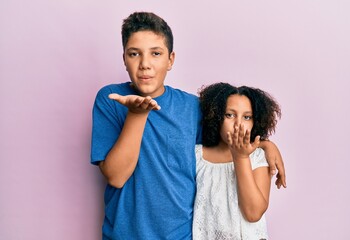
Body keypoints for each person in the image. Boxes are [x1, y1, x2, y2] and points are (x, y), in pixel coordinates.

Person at [91, 12, 286, 239]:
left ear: (171, 59)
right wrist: (137, 114)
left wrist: (265, 144)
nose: (145, 64)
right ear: (124, 58)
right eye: (134, 54)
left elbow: (222, 144)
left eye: (156, 53)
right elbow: (116, 177)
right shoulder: (110, 99)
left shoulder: (192, 107)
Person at [193, 82, 282, 239]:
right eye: (230, 115)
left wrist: (241, 157)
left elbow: (253, 213)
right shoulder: (197, 156)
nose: (238, 124)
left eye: (247, 117)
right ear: (216, 117)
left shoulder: (258, 157)